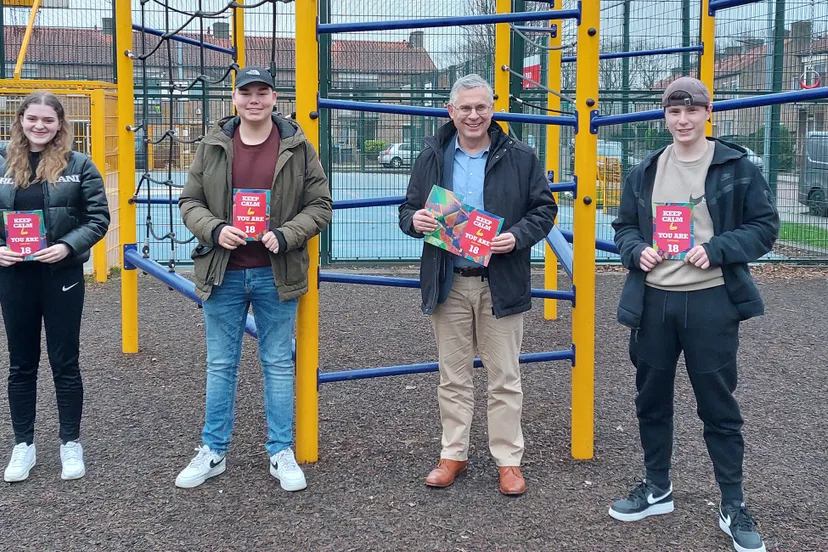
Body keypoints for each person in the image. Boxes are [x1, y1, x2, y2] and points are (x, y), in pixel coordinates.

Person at [609, 76, 779, 552]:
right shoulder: (645, 170)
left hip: (710, 300)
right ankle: (657, 487)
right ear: (664, 117)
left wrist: (719, 248)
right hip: (655, 301)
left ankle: (733, 504)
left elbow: (765, 226)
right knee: (651, 399)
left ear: (708, 113)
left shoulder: (734, 166)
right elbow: (623, 227)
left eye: (691, 111)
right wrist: (635, 250)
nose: (682, 121)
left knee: (718, 404)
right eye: (673, 112)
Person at [398, 74, 558, 496]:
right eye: (465, 107)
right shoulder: (432, 154)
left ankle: (508, 460)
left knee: (505, 376)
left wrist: (517, 236)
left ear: (493, 109)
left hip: (499, 280)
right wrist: (415, 221)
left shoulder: (520, 156)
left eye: (481, 107)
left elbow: (544, 210)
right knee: (452, 377)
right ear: (450, 111)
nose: (473, 115)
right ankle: (454, 454)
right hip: (449, 279)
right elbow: (408, 209)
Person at [176, 67, 331, 491]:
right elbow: (189, 201)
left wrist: (286, 234)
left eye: (262, 92)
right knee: (221, 364)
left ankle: (280, 450)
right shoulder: (213, 145)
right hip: (222, 270)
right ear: (236, 99)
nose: (254, 100)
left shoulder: (298, 146)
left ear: (275, 98)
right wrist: (212, 228)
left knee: (278, 364)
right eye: (247, 93)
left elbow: (320, 205)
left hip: (275, 273)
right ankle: (213, 450)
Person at [0, 92, 110, 482]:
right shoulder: (1, 161)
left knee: (65, 362)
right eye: (33, 119)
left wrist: (66, 246)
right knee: (20, 363)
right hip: (15, 277)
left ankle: (70, 443)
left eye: (48, 120)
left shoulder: (79, 165)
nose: (39, 126)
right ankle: (23, 445)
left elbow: (98, 218)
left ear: (61, 123)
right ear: (21, 120)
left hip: (60, 274)